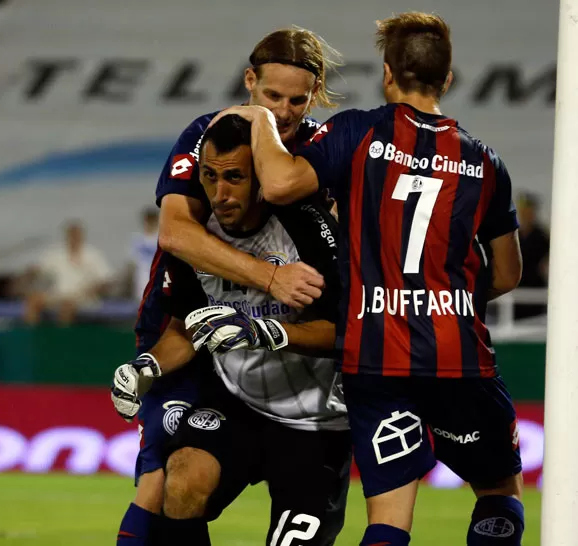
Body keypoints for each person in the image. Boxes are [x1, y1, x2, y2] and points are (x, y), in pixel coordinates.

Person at [215, 12, 526, 546]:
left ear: (387, 74)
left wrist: (260, 120)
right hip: (458, 355)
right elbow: (508, 272)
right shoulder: (486, 163)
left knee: (387, 518)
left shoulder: (359, 132)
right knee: (499, 492)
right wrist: (444, 300)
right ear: (447, 80)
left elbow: (283, 183)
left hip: (378, 357)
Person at [113, 27, 344, 546]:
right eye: (270, 98)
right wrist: (270, 278)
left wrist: (268, 327)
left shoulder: (320, 168)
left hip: (314, 407)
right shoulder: (207, 135)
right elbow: (175, 232)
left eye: (297, 101)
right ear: (249, 83)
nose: (283, 113)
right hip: (205, 352)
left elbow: (349, 323)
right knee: (167, 483)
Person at [128, 207, 159, 300]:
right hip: (141, 275)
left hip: (157, 273)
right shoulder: (138, 239)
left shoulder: (161, 238)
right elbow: (132, 260)